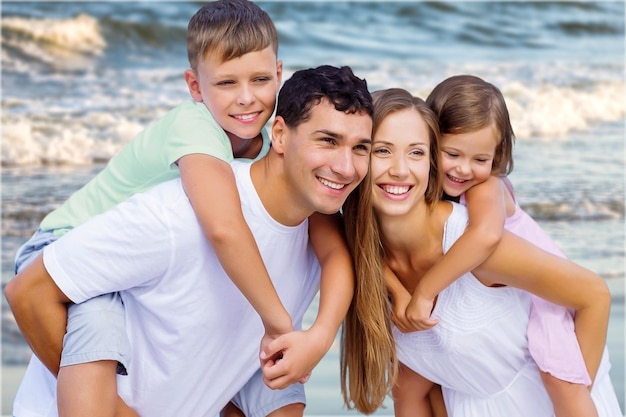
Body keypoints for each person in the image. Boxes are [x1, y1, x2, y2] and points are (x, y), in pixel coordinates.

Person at [11, 1, 353, 415]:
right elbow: (223, 226)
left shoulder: (271, 143)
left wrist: (317, 336)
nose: (246, 98)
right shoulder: (195, 128)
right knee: (97, 331)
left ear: (278, 74)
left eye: (260, 79)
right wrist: (279, 324)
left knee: (269, 379)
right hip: (63, 246)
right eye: (226, 83)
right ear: (195, 86)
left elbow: (330, 242)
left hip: (137, 272)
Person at [340, 88, 622, 416]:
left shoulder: (475, 236)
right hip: (473, 403)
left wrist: (575, 388)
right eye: (382, 151)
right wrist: (398, 291)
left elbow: (594, 294)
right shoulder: (362, 254)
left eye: (416, 153)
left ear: (430, 161)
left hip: (548, 394)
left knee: (562, 378)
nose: (400, 169)